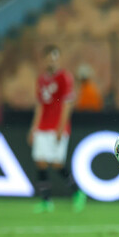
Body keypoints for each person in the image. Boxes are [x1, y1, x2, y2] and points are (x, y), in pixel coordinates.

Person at [28, 45, 86, 213]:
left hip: (56, 126)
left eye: (55, 57)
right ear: (44, 59)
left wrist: (61, 127)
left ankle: (78, 193)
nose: (52, 61)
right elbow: (40, 105)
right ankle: (46, 201)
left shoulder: (64, 77)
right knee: (40, 161)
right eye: (49, 58)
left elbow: (68, 104)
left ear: (58, 59)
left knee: (56, 163)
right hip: (42, 126)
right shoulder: (41, 79)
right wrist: (33, 128)